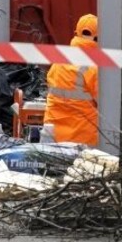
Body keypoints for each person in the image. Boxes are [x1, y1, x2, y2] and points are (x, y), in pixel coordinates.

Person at [43, 14, 100, 146]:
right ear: (98, 38)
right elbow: (107, 106)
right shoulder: (94, 68)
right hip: (83, 139)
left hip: (53, 137)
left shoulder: (59, 61)